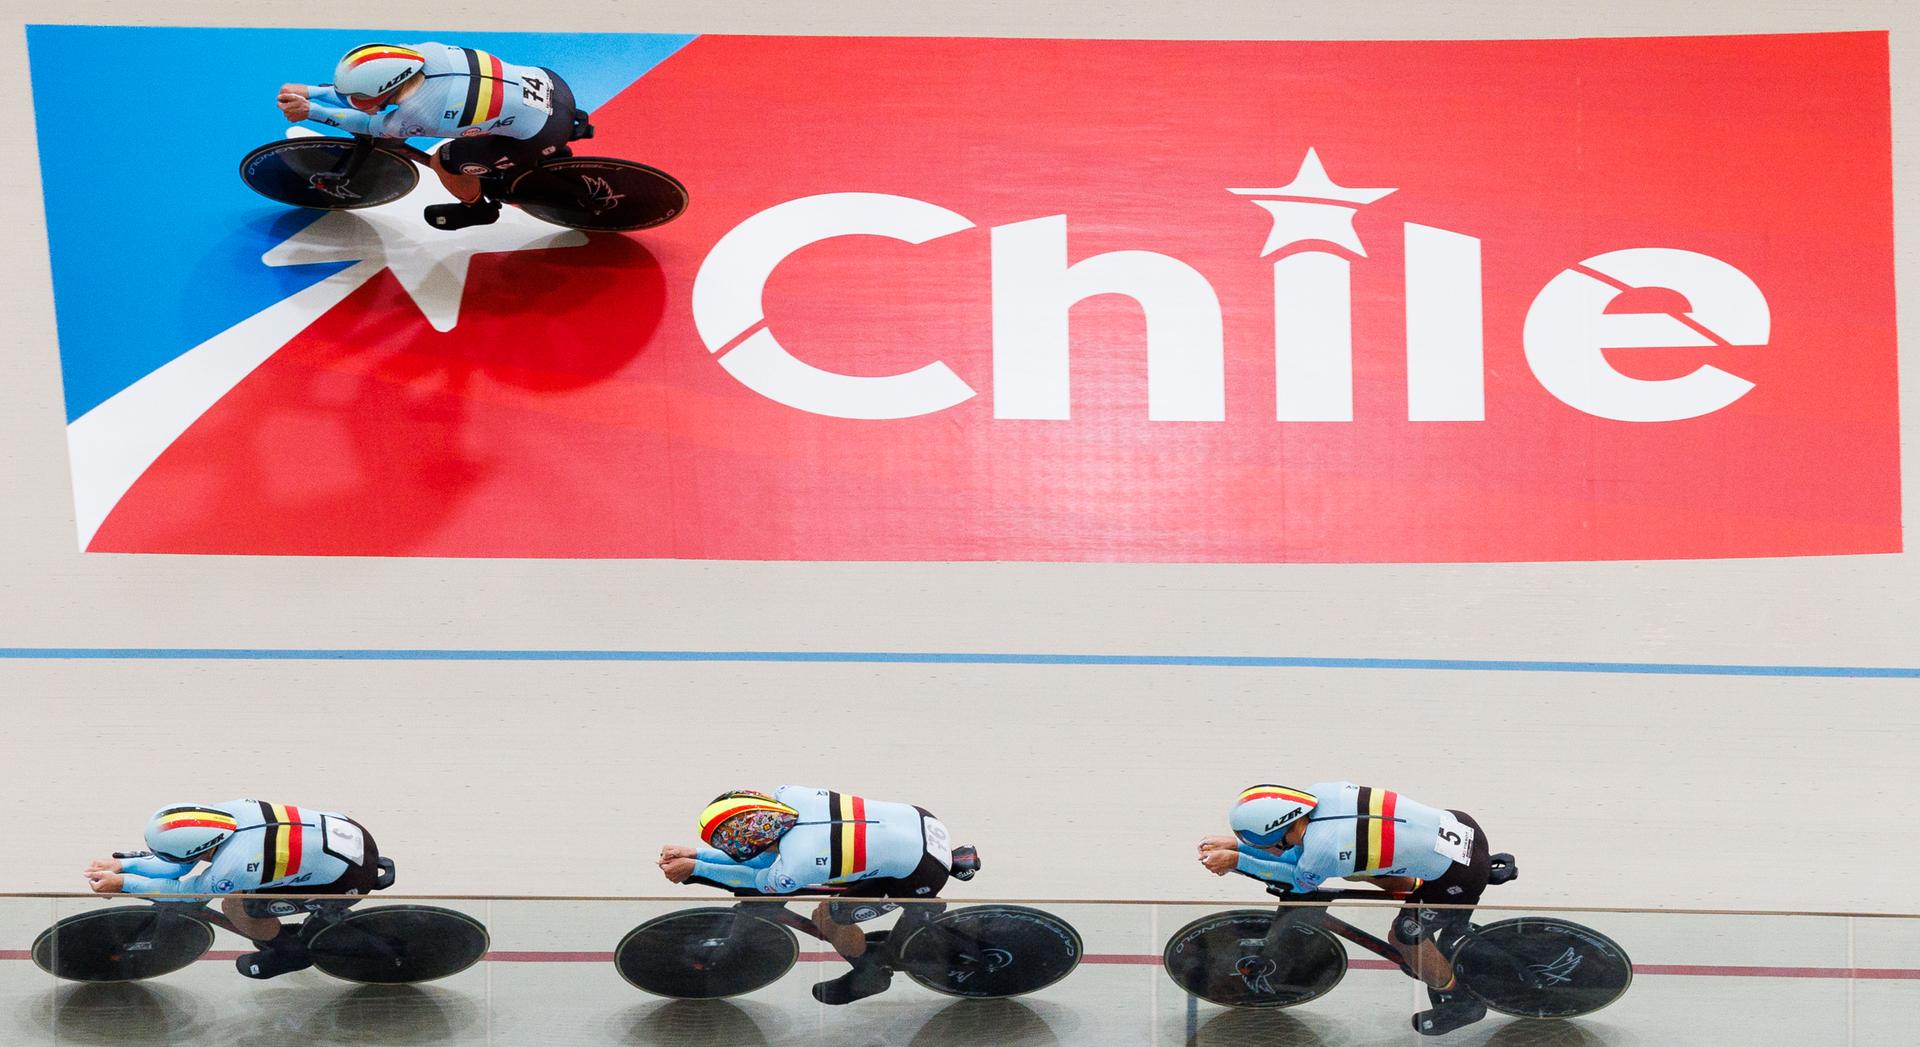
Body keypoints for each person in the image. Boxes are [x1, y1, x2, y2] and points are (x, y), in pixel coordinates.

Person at [1199, 783, 1493, 1036]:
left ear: (1278, 829)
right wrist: (1237, 845)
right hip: (1461, 826)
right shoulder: (1320, 793)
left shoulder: (1324, 850)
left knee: (1404, 937)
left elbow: (1298, 880)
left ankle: (1458, 1001)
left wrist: (1237, 860)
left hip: (1460, 875)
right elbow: (1296, 850)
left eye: (1262, 842)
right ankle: (1415, 881)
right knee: (1356, 867)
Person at [659, 786, 981, 1004]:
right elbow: (764, 853)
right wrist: (696, 855)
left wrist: (697, 869)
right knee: (839, 878)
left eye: (730, 843)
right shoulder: (789, 795)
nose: (729, 849)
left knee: (827, 915)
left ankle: (871, 971)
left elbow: (758, 878)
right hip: (921, 822)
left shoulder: (797, 863)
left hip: (920, 872)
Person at [274, 42, 581, 230]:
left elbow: (369, 125)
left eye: (357, 98)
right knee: (480, 129)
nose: (353, 101)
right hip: (553, 84)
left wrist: (310, 111)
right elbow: (368, 95)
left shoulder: (418, 113)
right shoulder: (420, 53)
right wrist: (311, 93)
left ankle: (478, 209)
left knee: (444, 161)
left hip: (543, 132)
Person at [85, 801, 383, 979]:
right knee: (251, 888)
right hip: (351, 836)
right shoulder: (224, 812)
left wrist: (124, 884)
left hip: (347, 879)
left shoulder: (234, 865)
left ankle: (291, 953)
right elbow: (178, 866)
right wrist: (122, 866)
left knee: (237, 906)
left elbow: (185, 892)